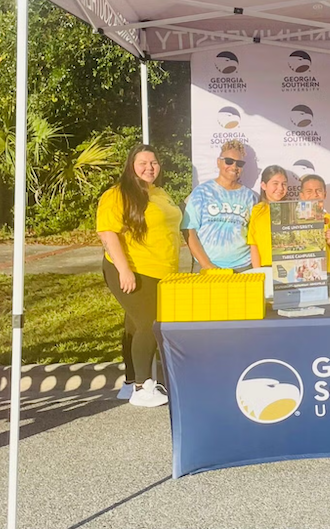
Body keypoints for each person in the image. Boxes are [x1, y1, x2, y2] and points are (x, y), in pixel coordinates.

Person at [96, 144, 181, 408]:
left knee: (134, 325)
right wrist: (124, 270)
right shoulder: (117, 194)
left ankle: (130, 382)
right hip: (133, 269)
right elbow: (107, 233)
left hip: (162, 271)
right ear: (131, 166)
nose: (149, 168)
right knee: (149, 323)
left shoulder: (159, 192)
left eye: (153, 162)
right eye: (142, 163)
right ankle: (143, 388)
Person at [181, 139, 258, 272]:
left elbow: (255, 236)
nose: (234, 166)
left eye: (239, 163)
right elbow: (189, 231)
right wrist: (207, 265)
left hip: (243, 267)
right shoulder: (201, 192)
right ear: (218, 162)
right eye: (229, 161)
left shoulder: (250, 197)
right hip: (206, 267)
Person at [247, 165, 289, 269]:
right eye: (275, 183)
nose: (280, 188)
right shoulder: (257, 210)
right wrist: (258, 271)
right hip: (266, 267)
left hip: (289, 266)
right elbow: (253, 244)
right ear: (263, 185)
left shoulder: (293, 209)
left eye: (284, 184)